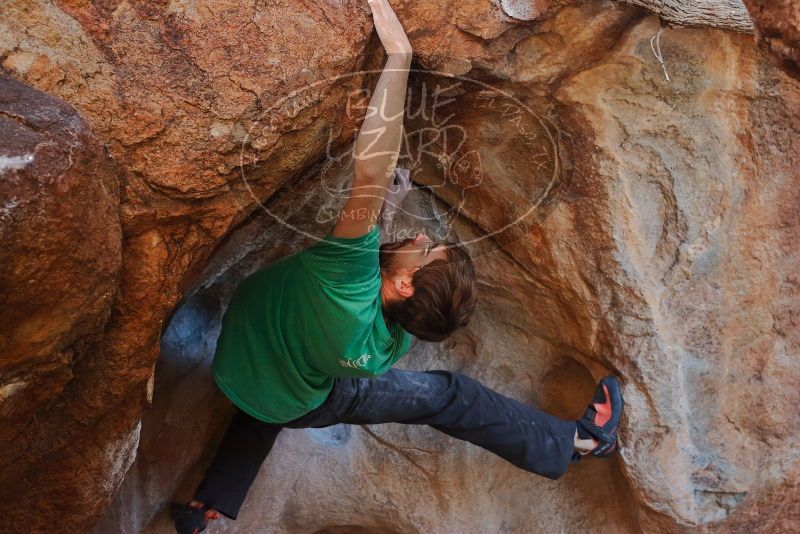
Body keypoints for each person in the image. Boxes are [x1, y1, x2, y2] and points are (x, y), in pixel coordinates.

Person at [172, 1, 623, 532]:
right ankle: (211, 505)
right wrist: (388, 212)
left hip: (242, 362)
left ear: (404, 283)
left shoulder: (342, 281)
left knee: (452, 395)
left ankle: (584, 441)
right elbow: (374, 283)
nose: (426, 237)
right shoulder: (390, 339)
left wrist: (400, 57)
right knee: (308, 393)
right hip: (283, 389)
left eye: (427, 249)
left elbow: (372, 165)